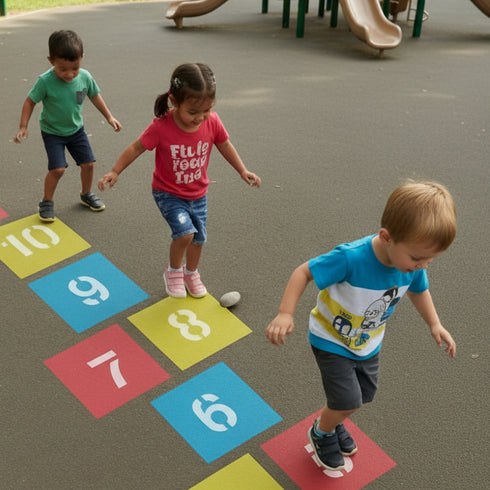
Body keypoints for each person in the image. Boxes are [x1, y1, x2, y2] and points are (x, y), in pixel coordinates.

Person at [266, 181, 457, 472]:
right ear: (387, 237)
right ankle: (322, 431)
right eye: (418, 257)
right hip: (331, 339)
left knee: (363, 395)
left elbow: (419, 289)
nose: (424, 265)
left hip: (367, 342)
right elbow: (303, 272)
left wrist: (435, 324)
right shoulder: (351, 258)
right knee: (347, 399)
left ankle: (335, 418)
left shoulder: (412, 267)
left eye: (431, 259)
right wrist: (284, 313)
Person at [97, 63, 260, 299]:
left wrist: (242, 170)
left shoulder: (212, 122)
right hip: (168, 193)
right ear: (174, 102)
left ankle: (191, 273)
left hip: (198, 193)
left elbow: (224, 145)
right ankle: (173, 271)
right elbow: (136, 147)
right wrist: (115, 171)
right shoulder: (161, 127)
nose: (200, 117)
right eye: (193, 112)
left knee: (199, 238)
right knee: (185, 233)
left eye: (206, 110)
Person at [14, 29, 121, 222]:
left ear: (82, 58)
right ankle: (46, 201)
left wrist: (109, 117)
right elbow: (30, 101)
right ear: (51, 61)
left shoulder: (85, 77)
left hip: (76, 130)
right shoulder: (45, 81)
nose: (70, 74)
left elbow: (94, 96)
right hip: (52, 132)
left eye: (75, 68)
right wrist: (23, 126)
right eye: (63, 69)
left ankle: (86, 194)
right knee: (58, 169)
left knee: (88, 164)